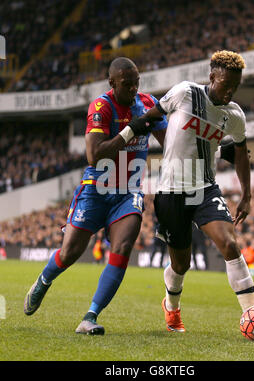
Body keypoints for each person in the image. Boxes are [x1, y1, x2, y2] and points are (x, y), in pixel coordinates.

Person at [139, 50, 254, 332]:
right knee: (181, 264)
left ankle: (253, 315)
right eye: (224, 84)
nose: (229, 91)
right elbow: (152, 116)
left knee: (230, 244)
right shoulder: (184, 93)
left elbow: (241, 153)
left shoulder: (234, 115)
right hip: (171, 192)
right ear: (212, 77)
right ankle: (171, 306)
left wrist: (246, 195)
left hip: (205, 188)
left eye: (235, 87)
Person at [23, 57, 168, 335]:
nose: (134, 89)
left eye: (137, 83)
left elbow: (170, 141)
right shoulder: (102, 106)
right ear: (112, 82)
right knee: (70, 253)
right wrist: (132, 129)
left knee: (123, 247)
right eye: (127, 84)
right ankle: (43, 280)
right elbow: (94, 154)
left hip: (128, 192)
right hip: (96, 190)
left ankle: (90, 316)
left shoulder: (148, 104)